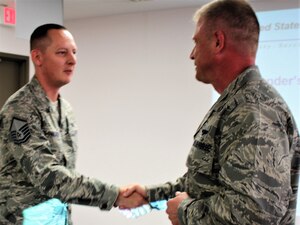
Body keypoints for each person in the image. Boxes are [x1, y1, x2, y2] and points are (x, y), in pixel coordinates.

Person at [124, 0, 300, 224]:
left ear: (218, 42)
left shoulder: (253, 110)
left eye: (196, 42)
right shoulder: (236, 103)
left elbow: (253, 215)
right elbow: (205, 183)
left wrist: (184, 211)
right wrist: (150, 195)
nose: (191, 54)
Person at [0, 23, 146, 224]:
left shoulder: (65, 109)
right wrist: (115, 195)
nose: (72, 60)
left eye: (74, 52)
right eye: (62, 53)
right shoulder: (19, 109)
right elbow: (48, 176)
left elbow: (67, 175)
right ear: (38, 57)